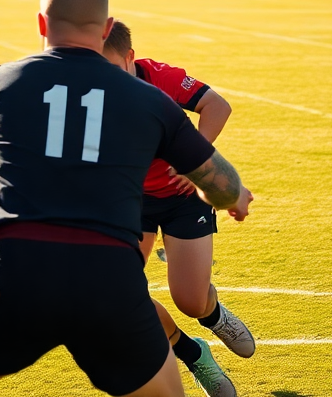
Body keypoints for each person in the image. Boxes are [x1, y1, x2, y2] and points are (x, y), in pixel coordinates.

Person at [0, 0, 252, 397]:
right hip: (108, 285)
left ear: (42, 25)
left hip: (14, 277)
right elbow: (223, 185)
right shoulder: (150, 100)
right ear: (106, 30)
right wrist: (233, 198)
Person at [102, 21, 249, 397]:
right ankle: (192, 352)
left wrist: (192, 159)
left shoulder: (159, 77)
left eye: (112, 67)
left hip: (182, 198)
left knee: (190, 301)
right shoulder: (91, 91)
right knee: (116, 294)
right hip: (129, 200)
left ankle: (212, 314)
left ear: (131, 58)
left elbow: (218, 105)